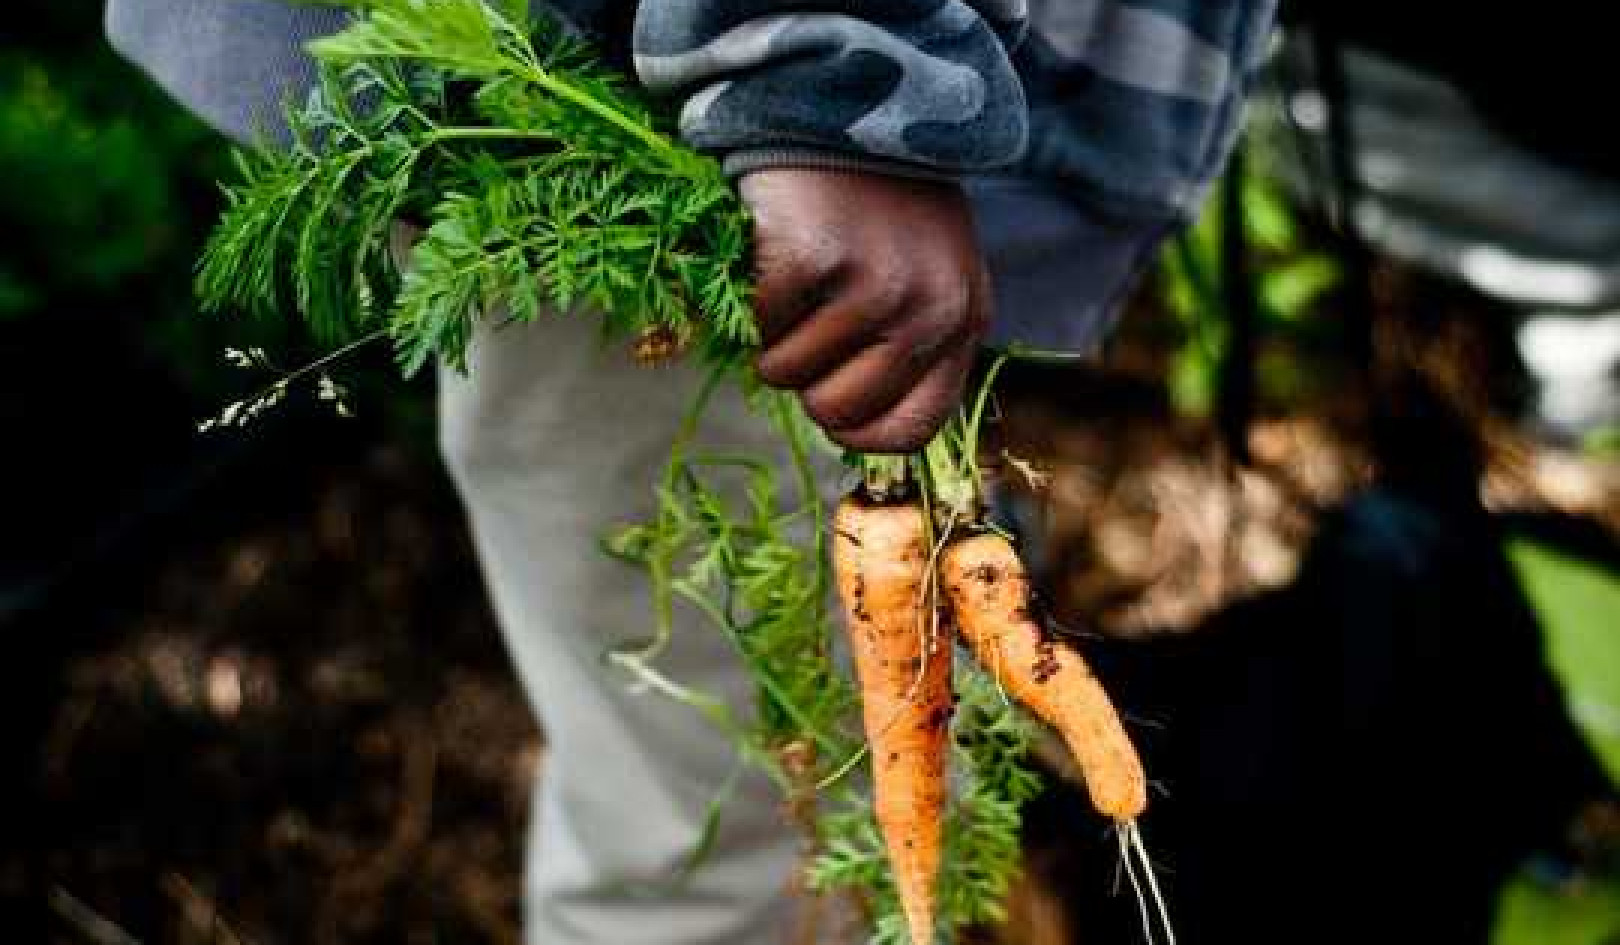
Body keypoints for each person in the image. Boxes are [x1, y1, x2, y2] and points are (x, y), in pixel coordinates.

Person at [105, 1, 1276, 941]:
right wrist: (825, 80)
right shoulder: (822, 101)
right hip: (697, 149)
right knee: (711, 860)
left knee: (855, 758)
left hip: (847, 128)